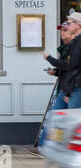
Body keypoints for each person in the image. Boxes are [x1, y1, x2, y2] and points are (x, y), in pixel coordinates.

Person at [24, 21, 75, 157]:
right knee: (55, 120)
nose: (62, 33)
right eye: (62, 30)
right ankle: (46, 148)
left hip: (70, 89)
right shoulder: (67, 47)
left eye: (65, 30)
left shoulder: (73, 47)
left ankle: (49, 148)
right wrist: (56, 72)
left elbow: (68, 66)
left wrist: (49, 58)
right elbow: (66, 68)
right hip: (65, 88)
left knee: (61, 120)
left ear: (74, 32)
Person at [43, 12, 81, 109]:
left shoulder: (77, 43)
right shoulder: (74, 43)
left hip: (75, 88)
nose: (63, 31)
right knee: (60, 117)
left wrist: (49, 58)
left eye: (69, 23)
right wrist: (56, 72)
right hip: (69, 88)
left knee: (73, 118)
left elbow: (72, 67)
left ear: (78, 24)